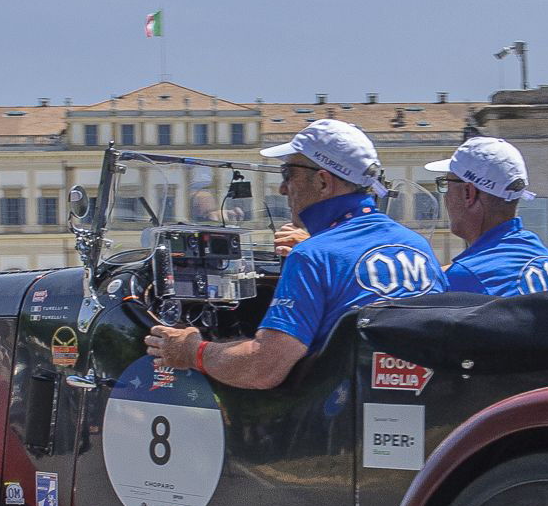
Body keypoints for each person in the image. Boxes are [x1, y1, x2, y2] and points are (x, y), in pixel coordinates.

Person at [144, 119, 443, 389]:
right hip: (409, 407)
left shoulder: (314, 254)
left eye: (288, 173)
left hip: (337, 421)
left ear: (324, 182)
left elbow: (263, 367)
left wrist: (193, 351)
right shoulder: (418, 246)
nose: (283, 188)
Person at [423, 135, 548, 296]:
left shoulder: (466, 277)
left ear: (469, 193)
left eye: (447, 184)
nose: (445, 196)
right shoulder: (540, 254)